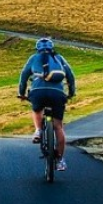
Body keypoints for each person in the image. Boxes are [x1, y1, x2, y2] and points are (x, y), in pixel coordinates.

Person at [17, 37, 76, 171]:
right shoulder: (59, 58)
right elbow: (70, 76)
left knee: (37, 110)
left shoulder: (33, 58)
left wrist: (21, 93)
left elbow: (24, 76)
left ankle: (38, 130)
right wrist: (71, 93)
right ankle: (60, 160)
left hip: (38, 92)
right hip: (57, 93)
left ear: (37, 49)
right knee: (58, 127)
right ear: (52, 48)